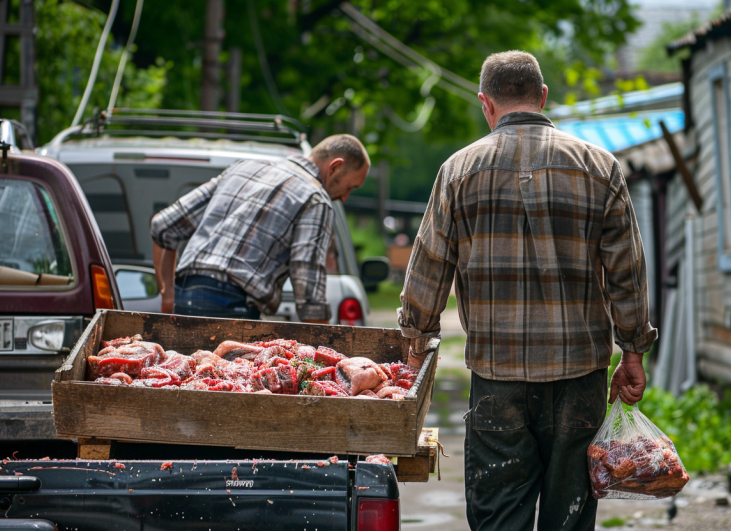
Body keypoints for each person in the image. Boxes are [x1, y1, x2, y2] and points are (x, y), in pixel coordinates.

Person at [397, 51, 657, 530]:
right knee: (570, 516)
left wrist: (414, 352)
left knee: (499, 517)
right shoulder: (599, 167)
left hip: (499, 380)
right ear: (542, 97)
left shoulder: (457, 171)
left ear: (485, 104)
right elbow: (627, 269)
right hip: (580, 379)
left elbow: (429, 268)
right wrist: (634, 350)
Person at [151, 134, 370, 323]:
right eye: (349, 187)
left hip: (185, 296)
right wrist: (326, 352)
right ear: (335, 167)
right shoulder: (316, 199)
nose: (344, 197)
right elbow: (309, 295)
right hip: (230, 308)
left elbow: (164, 225)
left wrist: (168, 295)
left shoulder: (244, 167)